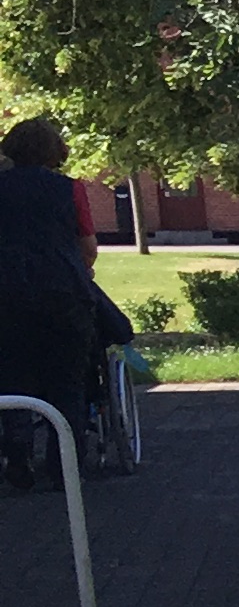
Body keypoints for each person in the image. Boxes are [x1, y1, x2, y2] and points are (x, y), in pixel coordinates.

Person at [0, 116, 129, 477]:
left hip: (6, 295)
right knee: (68, 382)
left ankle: (18, 454)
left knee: (11, 375)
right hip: (62, 295)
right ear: (55, 152)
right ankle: (65, 466)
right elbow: (88, 247)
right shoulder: (69, 189)